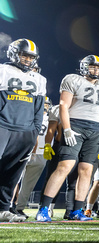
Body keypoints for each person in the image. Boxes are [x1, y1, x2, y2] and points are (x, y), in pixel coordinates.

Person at [36, 55, 99, 222]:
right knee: (64, 166)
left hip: (94, 129)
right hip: (75, 125)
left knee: (87, 170)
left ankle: (77, 211)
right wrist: (68, 129)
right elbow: (64, 105)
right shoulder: (72, 79)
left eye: (98, 68)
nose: (96, 70)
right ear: (84, 67)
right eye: (92, 67)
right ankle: (43, 208)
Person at [0, 39, 46, 222]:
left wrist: (33, 132)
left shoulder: (40, 79)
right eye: (24, 55)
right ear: (13, 53)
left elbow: (39, 109)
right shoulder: (2, 70)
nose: (27, 59)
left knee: (12, 174)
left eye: (31, 57)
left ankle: (2, 209)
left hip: (25, 132)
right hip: (3, 126)